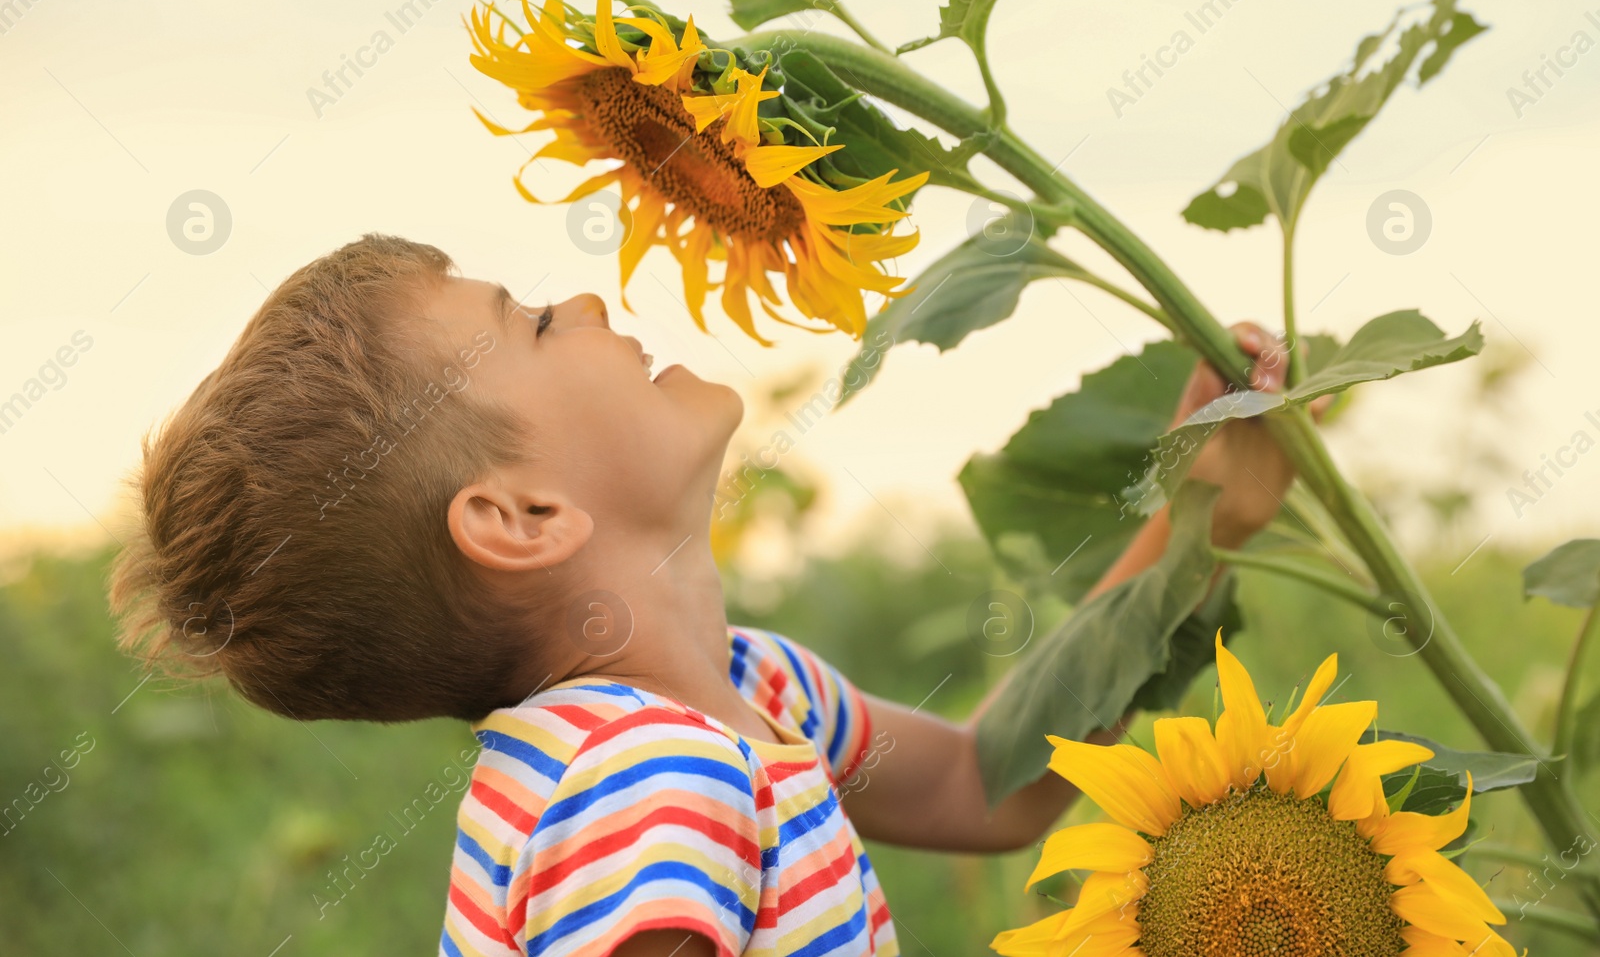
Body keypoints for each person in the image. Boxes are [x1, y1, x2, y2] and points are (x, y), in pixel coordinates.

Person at [109, 233, 1302, 957]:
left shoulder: (749, 692)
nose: (579, 300)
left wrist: (1202, 517)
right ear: (521, 518)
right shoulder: (645, 784)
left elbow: (994, 783)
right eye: (527, 322)